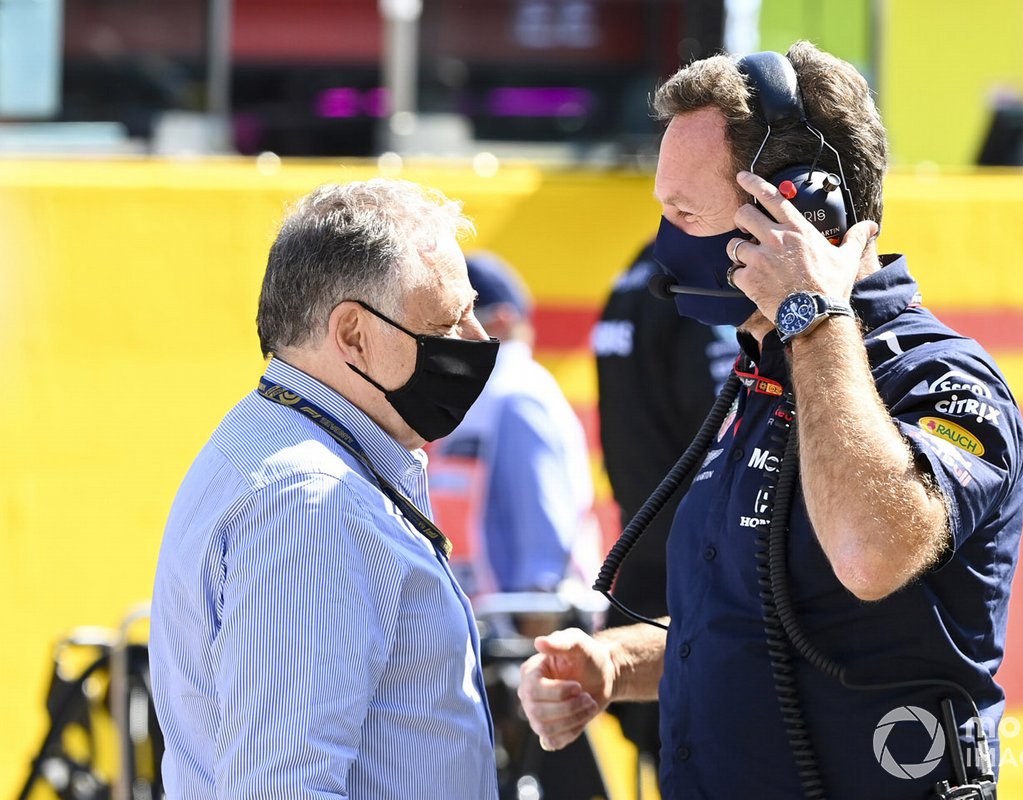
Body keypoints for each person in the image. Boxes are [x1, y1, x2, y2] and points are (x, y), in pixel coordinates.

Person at [518, 40, 1023, 799]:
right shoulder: (766, 376)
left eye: (685, 213)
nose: (666, 253)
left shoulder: (939, 378)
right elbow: (763, 623)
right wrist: (614, 665)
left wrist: (813, 314)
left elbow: (869, 553)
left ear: (801, 208)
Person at [150, 179, 500, 799]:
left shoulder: (280, 444)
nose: (477, 340)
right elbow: (284, 786)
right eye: (447, 321)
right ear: (354, 336)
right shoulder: (314, 502)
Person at [590, 240, 739, 769]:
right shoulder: (700, 285)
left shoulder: (630, 277)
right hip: (704, 575)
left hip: (643, 567)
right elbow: (732, 427)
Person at [428, 250, 599, 599]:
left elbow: (545, 547)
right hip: (485, 625)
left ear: (500, 322)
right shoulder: (476, 398)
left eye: (455, 323)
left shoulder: (519, 395)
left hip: (518, 635)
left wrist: (531, 630)